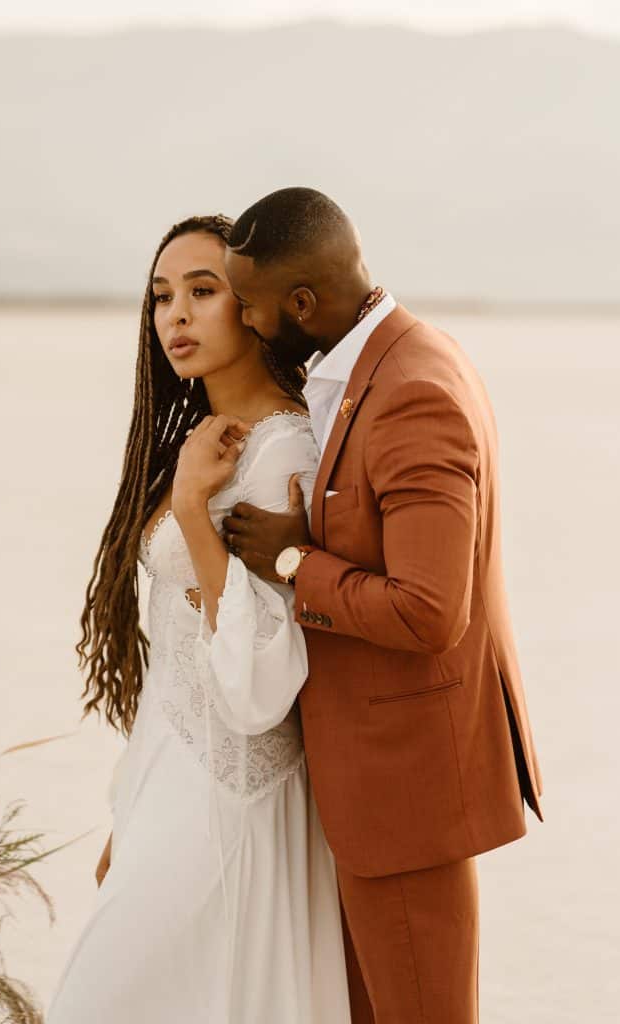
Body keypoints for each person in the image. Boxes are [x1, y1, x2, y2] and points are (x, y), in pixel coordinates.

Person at [221, 187, 544, 1024]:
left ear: (301, 303)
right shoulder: (380, 360)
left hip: (404, 784)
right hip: (376, 777)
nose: (246, 325)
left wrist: (293, 560)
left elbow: (429, 610)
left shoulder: (410, 389)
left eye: (250, 306)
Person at [44, 214, 352, 1024]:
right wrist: (129, 809)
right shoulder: (204, 441)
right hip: (173, 782)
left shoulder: (285, 452)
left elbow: (261, 686)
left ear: (251, 307)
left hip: (234, 797)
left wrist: (188, 508)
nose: (174, 314)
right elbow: (179, 653)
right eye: (160, 296)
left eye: (202, 291)